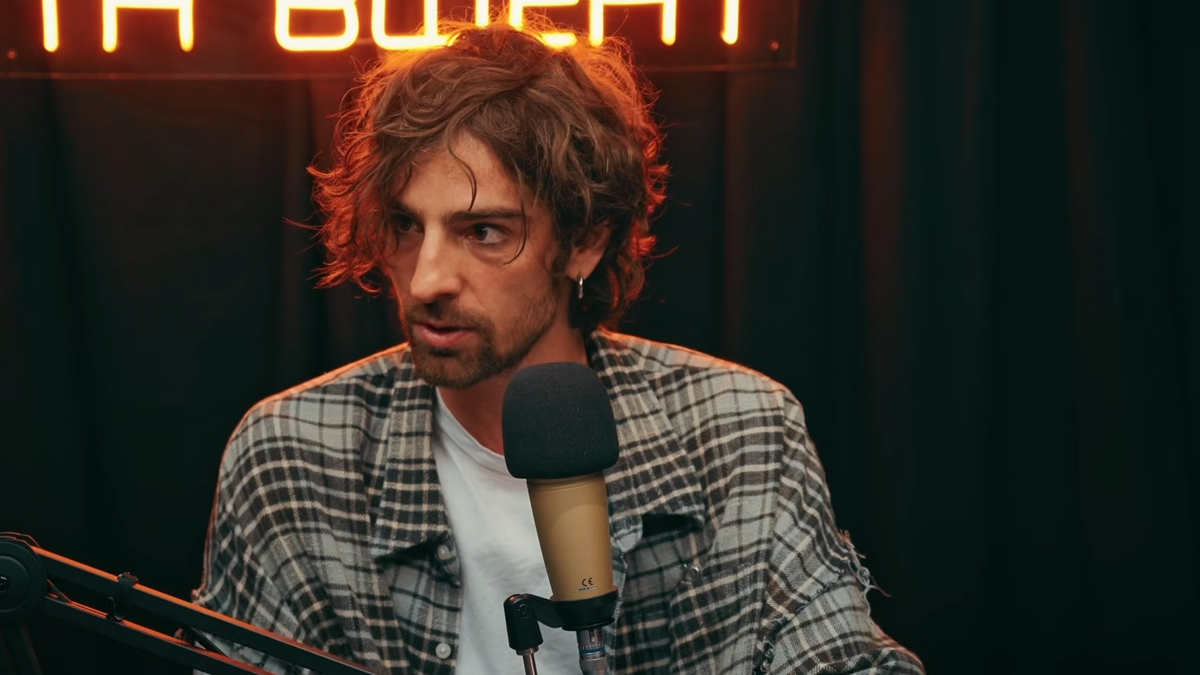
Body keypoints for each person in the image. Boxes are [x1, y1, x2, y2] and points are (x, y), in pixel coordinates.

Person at [192, 19, 924, 675]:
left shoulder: (738, 431)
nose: (427, 279)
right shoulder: (293, 452)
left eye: (484, 231)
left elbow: (842, 659)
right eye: (408, 226)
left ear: (584, 242)